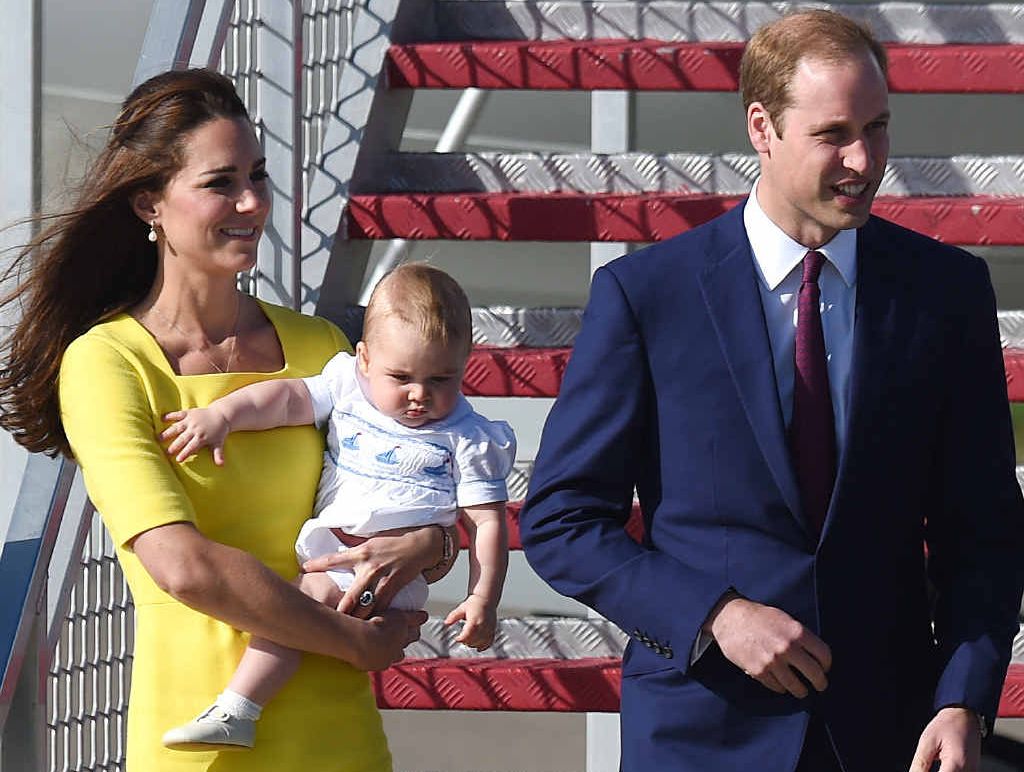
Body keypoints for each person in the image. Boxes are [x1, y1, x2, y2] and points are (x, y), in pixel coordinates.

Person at [520, 10, 1024, 772]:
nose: (864, 159)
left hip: (891, 737)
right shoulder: (648, 296)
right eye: (833, 135)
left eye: (878, 127)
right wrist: (714, 615)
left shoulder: (946, 293)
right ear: (762, 127)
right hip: (699, 735)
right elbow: (561, 520)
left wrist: (962, 699)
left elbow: (983, 528)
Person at [0, 68, 455, 771]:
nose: (251, 201)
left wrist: (428, 542)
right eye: (220, 182)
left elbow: (411, 495)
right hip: (196, 742)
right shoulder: (107, 363)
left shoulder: (324, 350)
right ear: (150, 202)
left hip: (342, 741)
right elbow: (183, 567)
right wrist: (352, 643)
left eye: (259, 175)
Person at [159, 262, 514, 749]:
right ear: (365, 359)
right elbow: (284, 401)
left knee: (301, 602)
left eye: (441, 379)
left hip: (395, 577)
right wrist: (223, 416)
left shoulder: (467, 437)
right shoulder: (349, 387)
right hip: (338, 548)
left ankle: (239, 708)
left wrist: (482, 596)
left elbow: (487, 522)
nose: (419, 395)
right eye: (401, 376)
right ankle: (243, 709)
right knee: (304, 602)